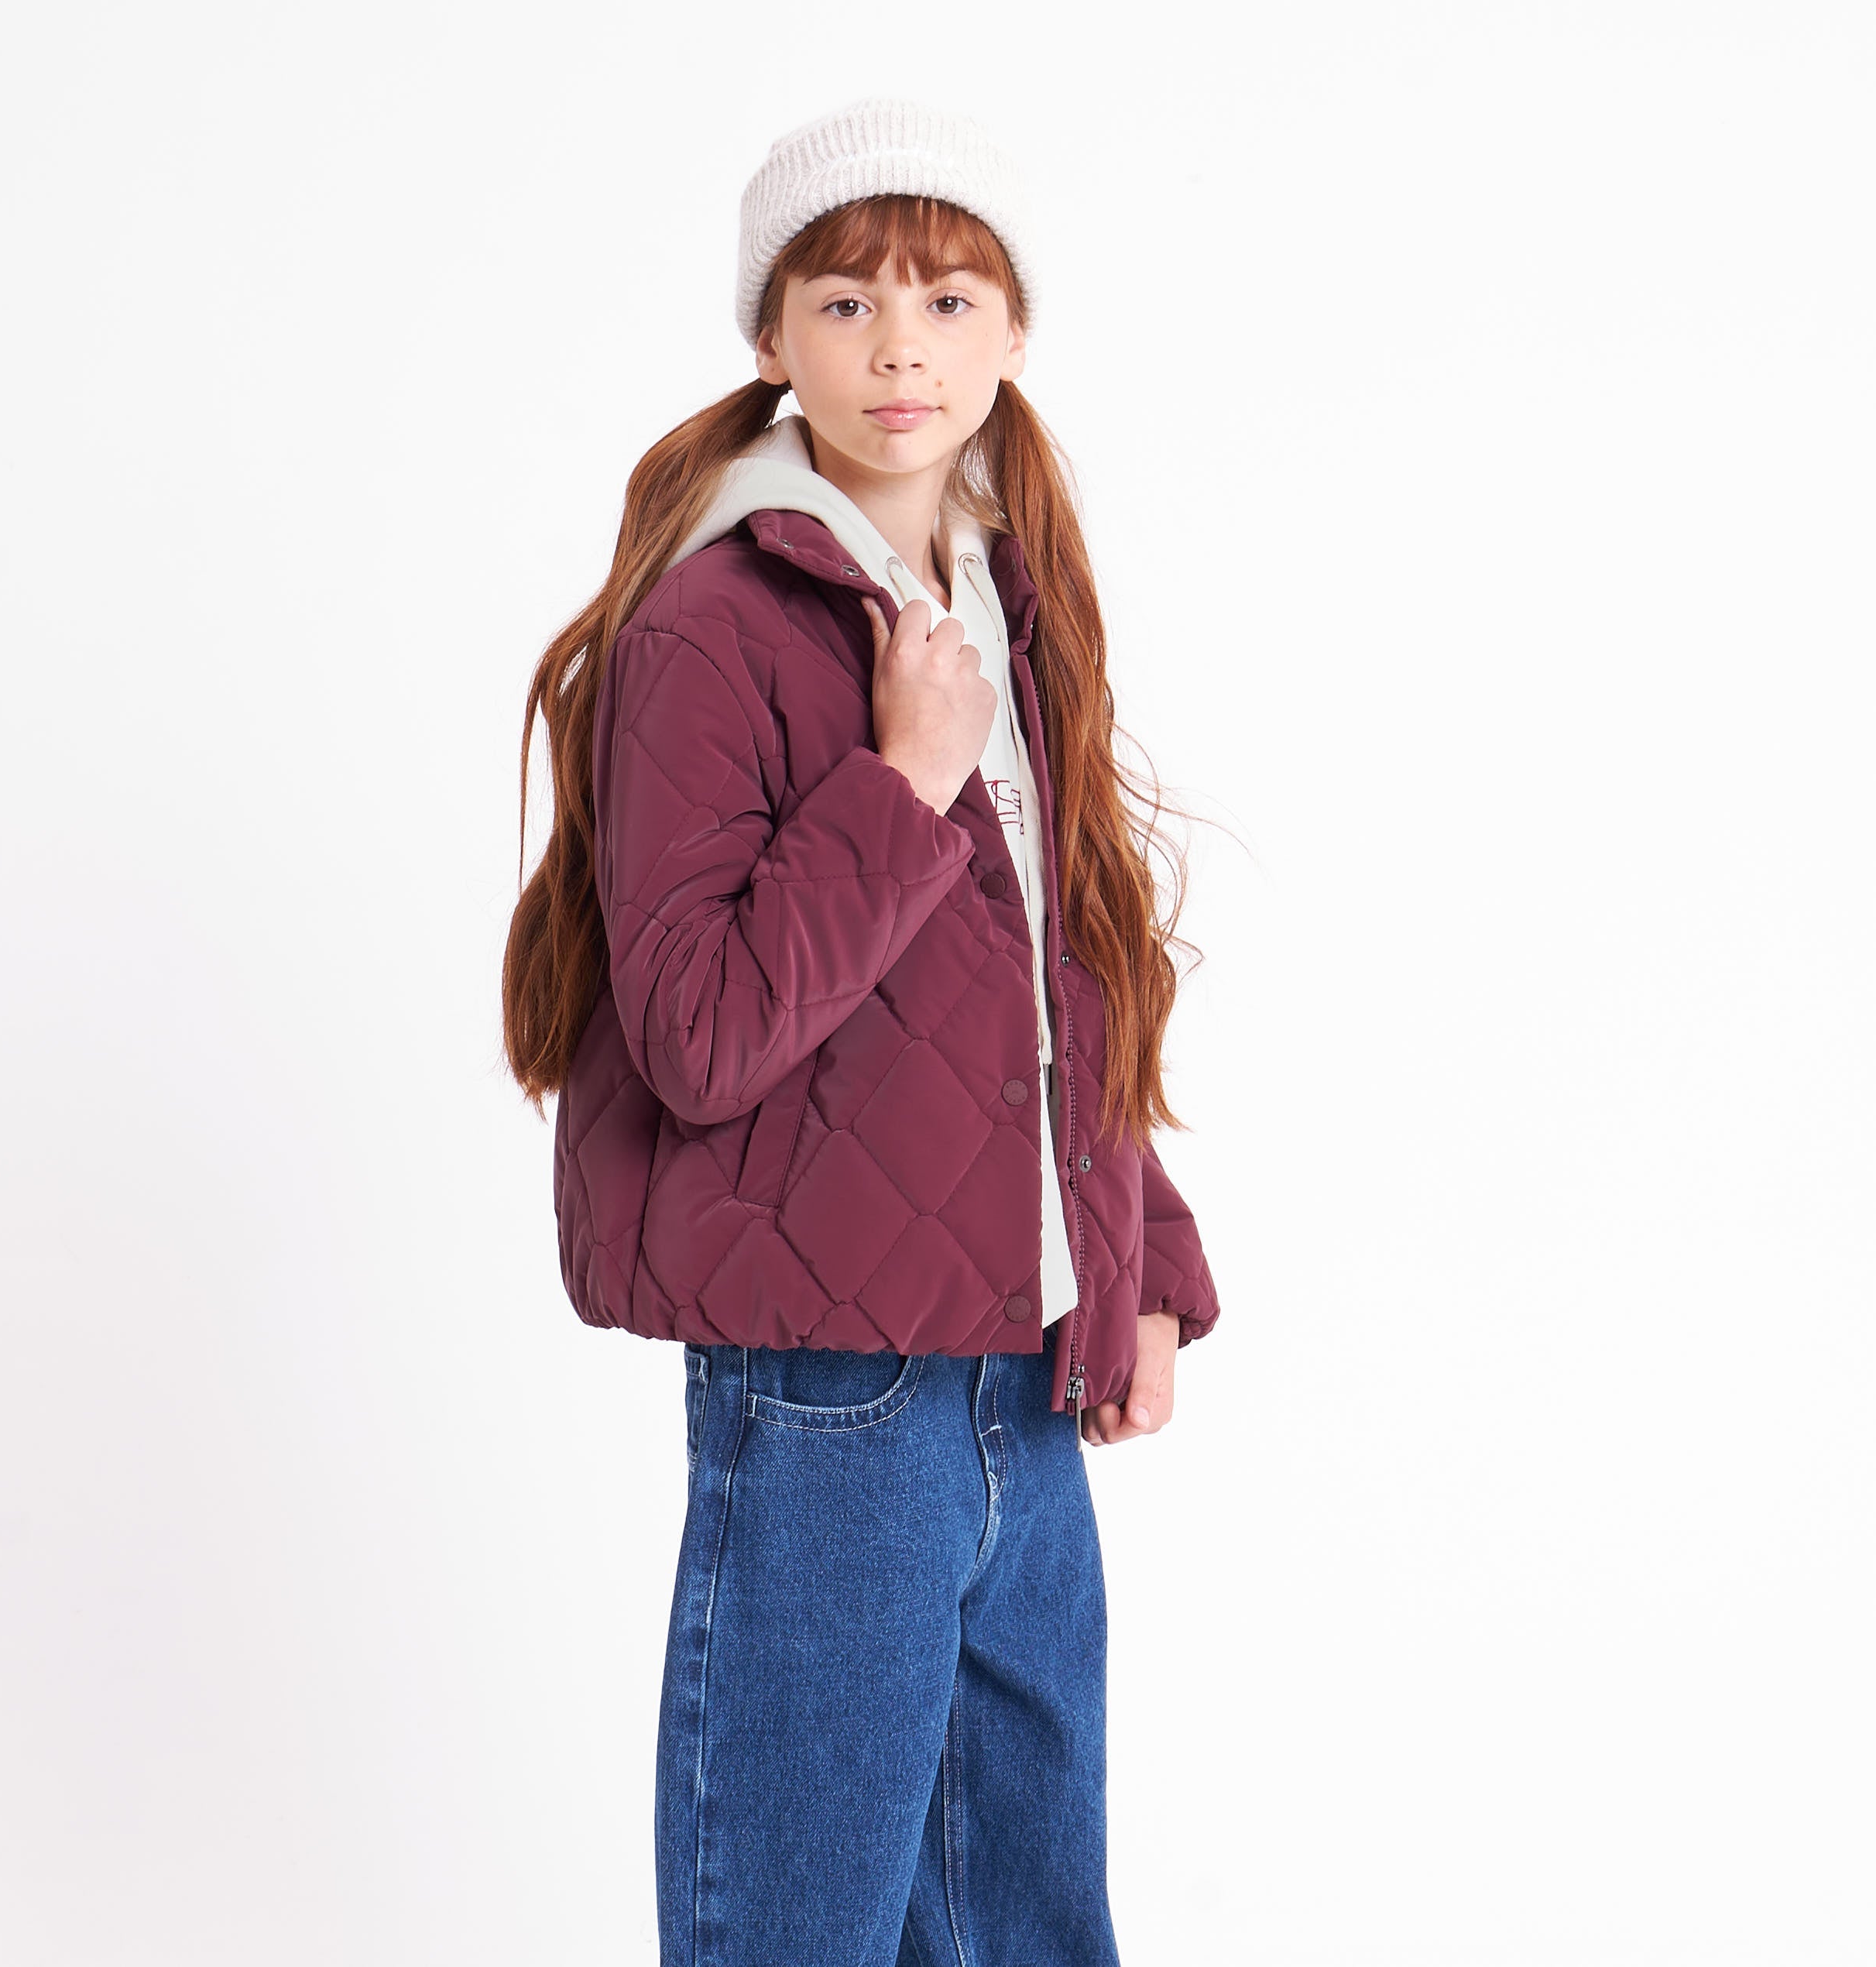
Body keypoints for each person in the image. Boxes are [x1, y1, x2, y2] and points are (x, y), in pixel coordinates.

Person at [502, 95, 1220, 1967]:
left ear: (1012, 333)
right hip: (831, 1392)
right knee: (796, 1930)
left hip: (1021, 1373)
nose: (901, 348)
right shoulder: (709, 628)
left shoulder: (1001, 605)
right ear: (773, 338)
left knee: (1030, 1927)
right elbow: (697, 1035)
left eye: (947, 300)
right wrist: (900, 783)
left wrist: (1142, 1262)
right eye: (846, 302)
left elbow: (1055, 970)